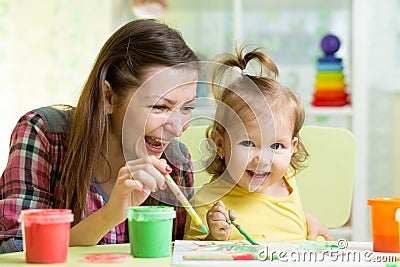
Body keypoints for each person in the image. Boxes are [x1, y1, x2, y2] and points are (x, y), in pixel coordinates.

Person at [0, 19, 200, 253]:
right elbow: (15, 249)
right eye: (160, 107)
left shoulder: (177, 160)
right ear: (108, 97)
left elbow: (180, 252)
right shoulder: (43, 134)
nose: (177, 129)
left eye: (187, 108)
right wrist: (111, 214)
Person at [184, 45, 333, 242]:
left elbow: (273, 211)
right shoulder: (208, 204)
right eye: (248, 143)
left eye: (277, 146)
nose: (263, 159)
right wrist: (213, 238)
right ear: (219, 144)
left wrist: (307, 220)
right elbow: (189, 258)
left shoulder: (286, 182)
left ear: (292, 147)